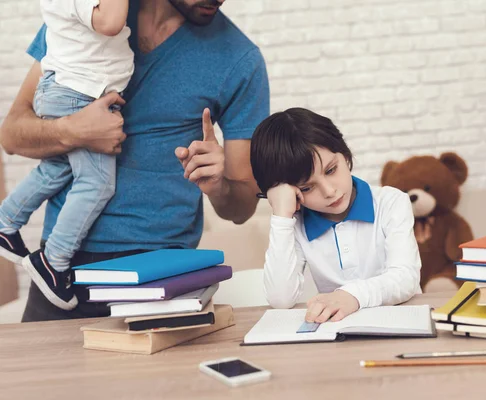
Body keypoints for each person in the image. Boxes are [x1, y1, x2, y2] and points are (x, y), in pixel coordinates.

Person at [0, 0, 269, 322]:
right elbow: (12, 135)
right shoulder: (91, 13)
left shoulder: (239, 58)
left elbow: (241, 209)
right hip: (59, 266)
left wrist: (218, 184)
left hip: (161, 274)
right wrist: (72, 131)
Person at [0, 0, 134, 311]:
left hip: (71, 89)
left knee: (57, 169)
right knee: (97, 183)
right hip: (76, 94)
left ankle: (6, 221)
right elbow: (111, 21)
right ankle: (53, 261)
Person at [250, 108, 422, 323]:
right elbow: (280, 299)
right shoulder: (295, 224)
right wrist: (282, 217)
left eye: (331, 170)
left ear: (345, 154)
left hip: (404, 324)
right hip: (339, 336)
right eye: (306, 188)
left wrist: (351, 296)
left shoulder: (390, 202)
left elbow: (406, 278)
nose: (329, 191)